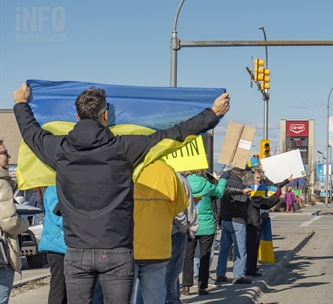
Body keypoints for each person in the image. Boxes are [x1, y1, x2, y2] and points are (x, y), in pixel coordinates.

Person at [13, 83, 230, 303]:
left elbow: (31, 133)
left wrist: (21, 104)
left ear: (76, 115)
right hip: (116, 251)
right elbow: (173, 135)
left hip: (77, 250)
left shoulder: (61, 150)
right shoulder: (123, 148)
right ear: (105, 115)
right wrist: (211, 114)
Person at [130, 159, 189, 304]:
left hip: (129, 247)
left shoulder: (124, 168)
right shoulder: (167, 171)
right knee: (156, 297)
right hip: (158, 248)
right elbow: (179, 207)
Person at [181, 169, 229, 296]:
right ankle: (202, 287)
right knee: (205, 256)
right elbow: (218, 193)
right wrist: (223, 179)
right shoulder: (206, 184)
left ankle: (186, 285)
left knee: (188, 255)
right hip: (206, 225)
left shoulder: (184, 182)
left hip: (190, 224)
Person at [245, 172, 293, 277]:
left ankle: (250, 267)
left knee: (251, 246)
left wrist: (286, 181)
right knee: (252, 246)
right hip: (252, 221)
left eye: (260, 178)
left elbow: (273, 186)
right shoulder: (253, 191)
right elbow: (265, 204)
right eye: (257, 178)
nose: (259, 180)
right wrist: (276, 195)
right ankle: (250, 270)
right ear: (251, 178)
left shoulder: (249, 188)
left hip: (248, 220)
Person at [0, 140, 30, 303]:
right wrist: (25, 224)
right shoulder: (1, 183)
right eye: (4, 153)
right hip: (2, 257)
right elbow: (9, 222)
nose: (8, 156)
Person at [165, 173, 199, 304]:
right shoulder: (178, 179)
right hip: (176, 230)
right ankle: (171, 300)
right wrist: (185, 226)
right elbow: (180, 208)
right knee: (172, 272)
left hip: (159, 229)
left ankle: (173, 298)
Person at [216, 167, 252, 285]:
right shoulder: (238, 184)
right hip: (237, 220)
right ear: (241, 173)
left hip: (225, 219)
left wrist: (219, 219)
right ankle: (238, 275)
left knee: (224, 249)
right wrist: (249, 199)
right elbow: (240, 204)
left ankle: (220, 274)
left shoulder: (224, 182)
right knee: (240, 249)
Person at [38, 186, 67, 304]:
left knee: (68, 290)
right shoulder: (54, 188)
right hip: (58, 246)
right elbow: (58, 217)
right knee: (59, 290)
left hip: (64, 244)